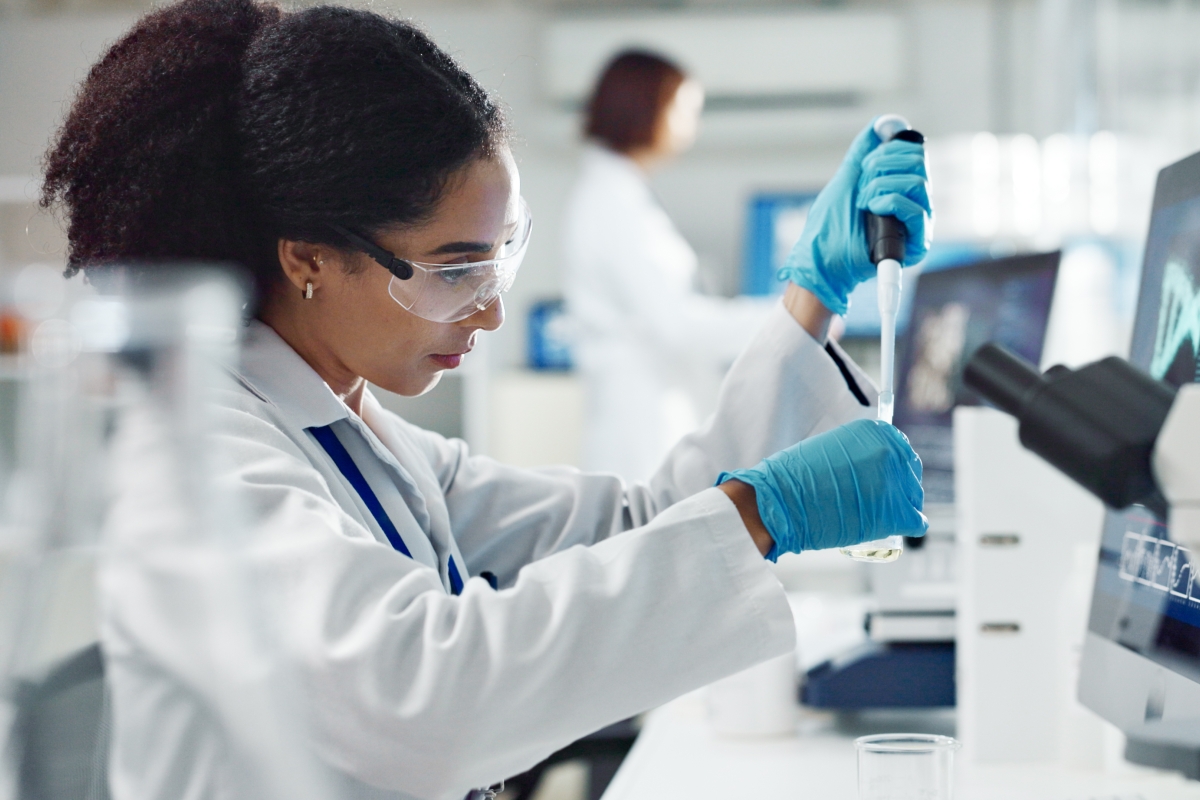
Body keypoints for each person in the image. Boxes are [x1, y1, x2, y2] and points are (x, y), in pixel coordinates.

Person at [40, 0, 932, 797]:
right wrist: (756, 516)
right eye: (454, 268)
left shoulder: (349, 429)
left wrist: (811, 298)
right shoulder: (205, 463)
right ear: (307, 257)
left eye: (500, 253)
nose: (494, 307)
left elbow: (640, 520)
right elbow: (428, 702)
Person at [564, 51, 774, 482]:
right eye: (684, 109)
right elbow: (677, 326)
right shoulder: (613, 201)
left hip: (648, 406)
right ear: (645, 108)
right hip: (639, 418)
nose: (691, 126)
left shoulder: (621, 193)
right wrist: (788, 314)